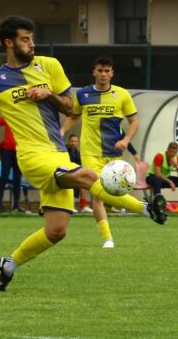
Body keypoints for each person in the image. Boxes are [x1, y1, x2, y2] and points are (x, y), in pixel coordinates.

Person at [0, 16, 167, 292]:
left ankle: (7, 264)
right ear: (9, 43)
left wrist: (48, 94)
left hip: (58, 153)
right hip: (33, 156)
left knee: (57, 230)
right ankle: (146, 208)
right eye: (25, 39)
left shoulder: (50, 66)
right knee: (86, 175)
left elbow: (71, 108)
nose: (32, 44)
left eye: (32, 38)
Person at [60, 55, 150, 249]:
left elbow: (134, 121)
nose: (103, 74)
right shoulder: (82, 94)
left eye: (106, 71)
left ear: (112, 73)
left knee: (111, 194)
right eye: (99, 70)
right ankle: (108, 238)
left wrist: (125, 140)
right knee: (97, 193)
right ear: (94, 72)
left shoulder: (122, 95)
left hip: (113, 154)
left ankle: (144, 209)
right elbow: (74, 116)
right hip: (90, 152)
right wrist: (62, 131)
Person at [0, 116, 24, 212]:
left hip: (19, 151)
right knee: (4, 176)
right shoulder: (9, 116)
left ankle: (16, 205)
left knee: (17, 177)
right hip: (7, 150)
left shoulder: (26, 118)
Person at [145, 142, 178, 213]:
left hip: (165, 178)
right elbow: (157, 174)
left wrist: (177, 167)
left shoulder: (177, 159)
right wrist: (170, 181)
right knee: (158, 181)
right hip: (151, 177)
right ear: (167, 150)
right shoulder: (160, 156)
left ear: (176, 152)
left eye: (174, 152)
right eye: (170, 152)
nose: (172, 154)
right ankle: (158, 207)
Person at [65, 133, 92, 213]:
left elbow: (80, 167)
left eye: (75, 141)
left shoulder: (78, 154)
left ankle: (83, 206)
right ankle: (70, 206)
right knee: (70, 183)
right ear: (69, 141)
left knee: (83, 185)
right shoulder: (64, 150)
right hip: (64, 174)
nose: (73, 143)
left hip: (74, 175)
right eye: (72, 141)